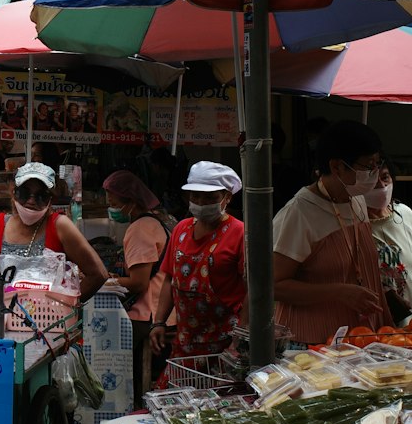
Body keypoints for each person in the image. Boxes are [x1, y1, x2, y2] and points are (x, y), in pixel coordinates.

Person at [272, 119, 387, 344]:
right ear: (336, 167)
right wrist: (338, 292)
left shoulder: (356, 199)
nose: (374, 172)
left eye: (377, 163)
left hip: (359, 339)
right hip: (313, 344)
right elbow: (273, 286)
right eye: (368, 166)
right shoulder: (299, 214)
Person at [148, 162, 246, 381]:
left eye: (210, 198)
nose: (201, 203)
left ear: (227, 197)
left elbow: (252, 292)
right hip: (185, 342)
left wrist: (239, 341)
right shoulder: (181, 230)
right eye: (196, 196)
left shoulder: (240, 233)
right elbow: (169, 278)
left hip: (225, 344)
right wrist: (159, 322)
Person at [0, 162, 108, 301]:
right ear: (13, 192)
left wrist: (68, 305)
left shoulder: (60, 226)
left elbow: (98, 274)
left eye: (41, 196)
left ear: (50, 200)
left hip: (51, 314)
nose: (31, 201)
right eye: (24, 193)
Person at [103, 169, 173, 397]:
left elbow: (139, 283)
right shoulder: (154, 221)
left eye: (114, 203)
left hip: (149, 314)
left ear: (131, 203)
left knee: (104, 338)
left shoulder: (140, 229)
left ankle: (119, 398)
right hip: (164, 310)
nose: (111, 208)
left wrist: (106, 280)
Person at [364, 161, 412, 324]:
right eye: (372, 180)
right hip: (378, 322)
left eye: (385, 177)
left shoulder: (405, 213)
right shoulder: (354, 225)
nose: (381, 185)